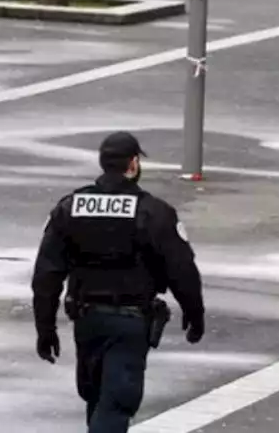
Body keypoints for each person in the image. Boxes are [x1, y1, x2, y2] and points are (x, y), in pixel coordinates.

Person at [31, 132, 205, 433]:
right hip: (130, 322)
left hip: (87, 319)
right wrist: (194, 312)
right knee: (115, 404)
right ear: (133, 164)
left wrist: (44, 327)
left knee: (97, 398)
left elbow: (46, 274)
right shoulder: (153, 212)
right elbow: (181, 269)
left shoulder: (70, 207)